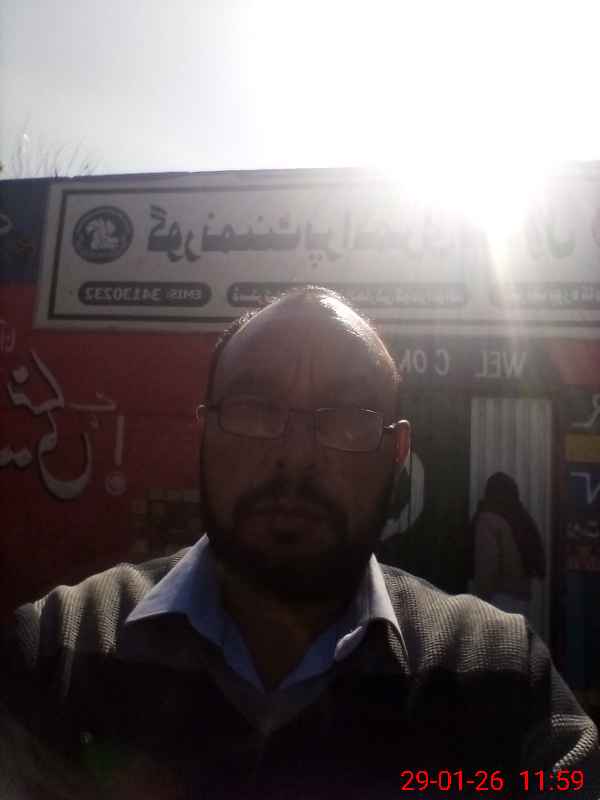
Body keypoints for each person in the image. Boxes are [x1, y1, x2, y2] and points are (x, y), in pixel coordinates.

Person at [0, 286, 599, 799]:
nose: (294, 456)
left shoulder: (499, 672)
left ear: (396, 453)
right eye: (254, 408)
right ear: (205, 432)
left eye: (347, 416)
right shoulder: (59, 647)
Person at [471, 472, 546, 616]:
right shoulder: (522, 520)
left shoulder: (488, 520)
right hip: (521, 600)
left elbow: (487, 564)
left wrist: (480, 601)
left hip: (497, 599)